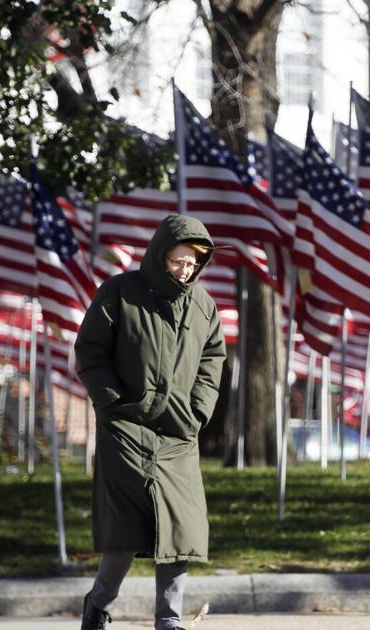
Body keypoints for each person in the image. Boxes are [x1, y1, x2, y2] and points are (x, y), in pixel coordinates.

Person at [74, 214, 227, 630]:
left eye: (193, 263)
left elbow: (213, 361)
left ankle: (169, 621)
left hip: (179, 432)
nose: (186, 270)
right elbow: (91, 352)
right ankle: (99, 604)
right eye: (179, 261)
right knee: (126, 530)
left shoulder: (203, 305)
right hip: (126, 429)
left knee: (181, 527)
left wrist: (197, 412)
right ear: (160, 255)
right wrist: (110, 405)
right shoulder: (119, 293)